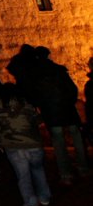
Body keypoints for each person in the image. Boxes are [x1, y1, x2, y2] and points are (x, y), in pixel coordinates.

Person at [0, 82, 52, 206]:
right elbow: (39, 121)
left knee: (23, 176)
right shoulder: (27, 104)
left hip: (13, 146)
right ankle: (44, 197)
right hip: (33, 143)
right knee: (38, 170)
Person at [31, 47, 90, 184]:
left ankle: (65, 173)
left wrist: (44, 108)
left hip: (52, 112)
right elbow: (72, 89)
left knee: (59, 143)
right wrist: (69, 102)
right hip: (67, 109)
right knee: (77, 139)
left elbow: (38, 96)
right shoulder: (59, 70)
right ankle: (83, 168)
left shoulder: (36, 74)